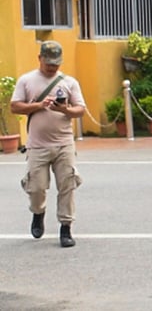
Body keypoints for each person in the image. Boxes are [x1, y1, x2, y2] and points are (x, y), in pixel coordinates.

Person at [10, 41, 85, 248]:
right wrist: (38, 105)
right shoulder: (27, 80)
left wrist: (65, 110)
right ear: (40, 58)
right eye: (48, 63)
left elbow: (80, 109)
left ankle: (66, 227)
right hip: (37, 145)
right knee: (36, 187)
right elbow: (15, 107)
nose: (52, 67)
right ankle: (38, 213)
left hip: (64, 144)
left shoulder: (69, 82)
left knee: (67, 185)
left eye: (56, 63)